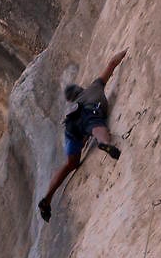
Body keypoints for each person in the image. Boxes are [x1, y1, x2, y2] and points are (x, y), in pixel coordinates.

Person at [38, 49, 128, 222]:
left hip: (71, 125)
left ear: (71, 100)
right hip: (90, 113)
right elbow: (111, 64)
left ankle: (47, 199)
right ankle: (104, 142)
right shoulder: (96, 86)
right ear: (81, 88)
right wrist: (125, 52)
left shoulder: (75, 105)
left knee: (71, 164)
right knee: (96, 126)